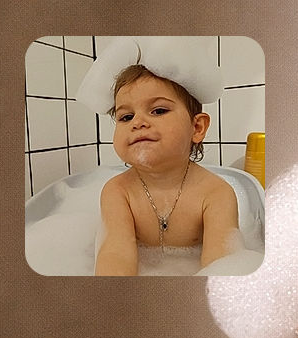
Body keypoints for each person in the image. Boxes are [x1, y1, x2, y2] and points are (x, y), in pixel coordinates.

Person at [94, 63, 240, 276]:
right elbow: (115, 254)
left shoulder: (216, 193)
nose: (138, 122)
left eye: (158, 110)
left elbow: (221, 266)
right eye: (126, 117)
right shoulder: (117, 191)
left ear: (197, 128)